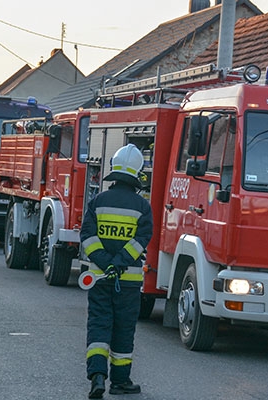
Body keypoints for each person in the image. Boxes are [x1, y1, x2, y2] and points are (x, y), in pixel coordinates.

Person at [80, 144, 152, 399]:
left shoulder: (97, 202)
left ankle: (97, 376)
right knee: (123, 330)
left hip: (99, 279)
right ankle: (120, 382)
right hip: (128, 283)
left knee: (99, 326)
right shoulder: (142, 207)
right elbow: (141, 239)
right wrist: (119, 262)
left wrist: (104, 262)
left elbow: (87, 237)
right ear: (137, 174)